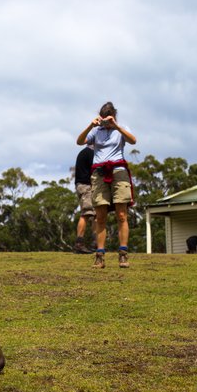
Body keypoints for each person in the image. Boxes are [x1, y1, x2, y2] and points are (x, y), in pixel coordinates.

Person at [77, 102, 137, 269]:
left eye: (108, 119)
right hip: (99, 173)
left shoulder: (121, 128)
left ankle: (123, 254)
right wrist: (91, 124)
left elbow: (133, 141)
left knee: (121, 215)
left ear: (114, 116)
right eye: (104, 119)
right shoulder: (96, 131)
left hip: (119, 171)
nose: (106, 123)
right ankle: (100, 255)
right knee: (100, 216)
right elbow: (79, 141)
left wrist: (116, 126)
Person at [73, 144, 95, 254]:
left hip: (83, 185)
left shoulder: (85, 152)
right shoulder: (90, 153)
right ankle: (79, 244)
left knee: (94, 214)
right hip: (86, 186)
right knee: (86, 214)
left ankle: (95, 243)